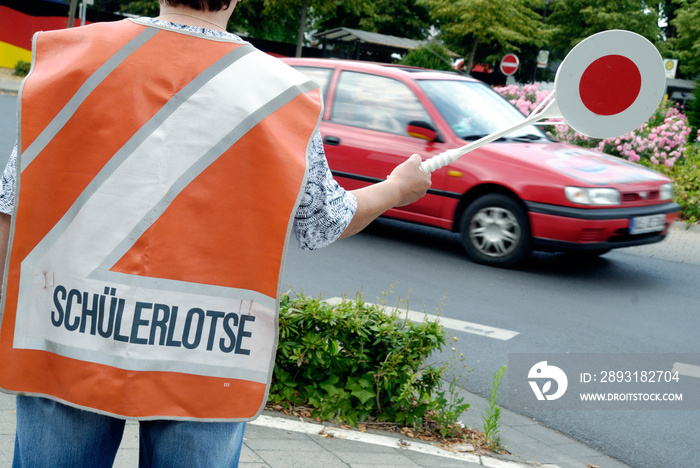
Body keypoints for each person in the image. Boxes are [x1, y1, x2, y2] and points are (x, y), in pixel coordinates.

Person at [0, 0, 431, 466]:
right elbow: (324, 220)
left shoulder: (74, 58)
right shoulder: (279, 93)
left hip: (66, 329)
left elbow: (10, 205)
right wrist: (395, 189)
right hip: (208, 353)